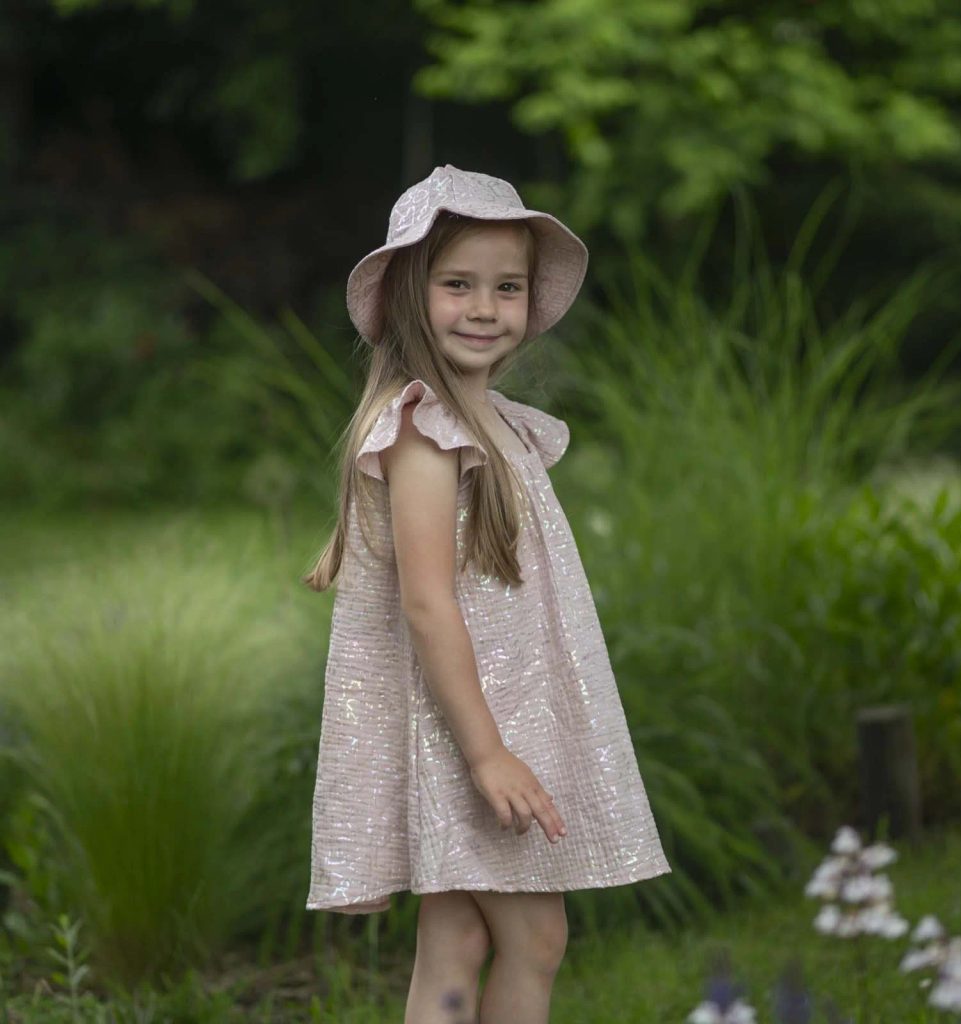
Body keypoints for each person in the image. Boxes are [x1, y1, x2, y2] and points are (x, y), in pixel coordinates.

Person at [303, 165, 671, 1024]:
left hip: (500, 716)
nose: (484, 307)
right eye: (457, 284)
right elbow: (427, 604)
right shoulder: (426, 432)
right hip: (471, 727)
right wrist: (486, 754)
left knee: (460, 941)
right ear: (408, 294)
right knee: (535, 938)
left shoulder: (494, 422)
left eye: (507, 287)